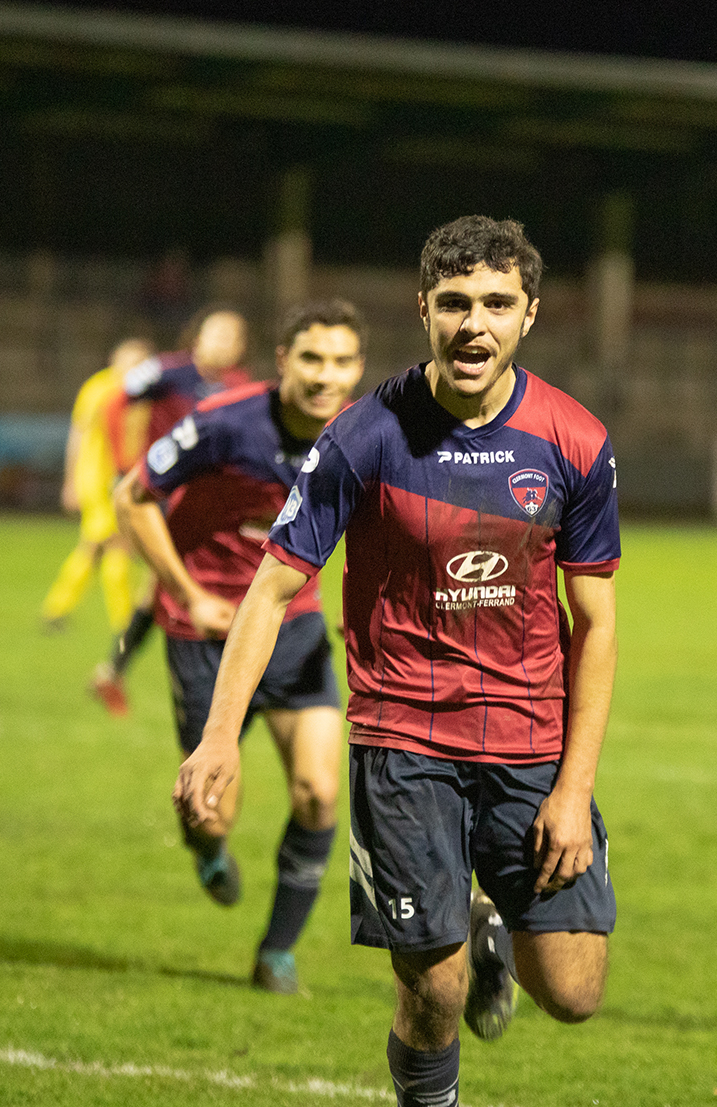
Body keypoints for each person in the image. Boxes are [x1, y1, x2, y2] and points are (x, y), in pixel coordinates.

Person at [174, 217, 619, 1107]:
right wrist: (219, 739)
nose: (473, 324)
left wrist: (574, 788)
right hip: (403, 740)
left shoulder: (574, 440)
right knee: (432, 995)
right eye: (454, 303)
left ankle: (487, 923)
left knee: (573, 993)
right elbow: (268, 592)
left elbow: (596, 624)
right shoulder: (363, 436)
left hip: (530, 741)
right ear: (424, 311)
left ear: (528, 315)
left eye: (497, 303)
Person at [114, 298, 366, 994]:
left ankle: (277, 951)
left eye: (342, 361)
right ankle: (208, 846)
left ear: (359, 370)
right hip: (207, 633)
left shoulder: (361, 434)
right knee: (210, 807)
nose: (325, 375)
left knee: (318, 792)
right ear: (283, 361)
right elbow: (131, 496)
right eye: (312, 358)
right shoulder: (225, 422)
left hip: (296, 628)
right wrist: (186, 591)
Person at [90, 307, 250, 715]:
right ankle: (119, 669)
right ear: (197, 338)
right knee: (166, 586)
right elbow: (114, 403)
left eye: (231, 338)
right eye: (216, 334)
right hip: (164, 499)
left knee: (167, 588)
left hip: (214, 506)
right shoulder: (165, 372)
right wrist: (125, 463)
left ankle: (115, 669)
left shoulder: (239, 386)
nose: (222, 344)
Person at [40, 337, 155, 651]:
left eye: (141, 361)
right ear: (114, 360)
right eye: (129, 360)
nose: (135, 367)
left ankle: (56, 609)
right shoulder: (99, 389)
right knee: (115, 545)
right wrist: (71, 482)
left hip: (121, 480)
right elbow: (78, 435)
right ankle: (123, 623)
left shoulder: (144, 395)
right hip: (97, 481)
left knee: (93, 548)